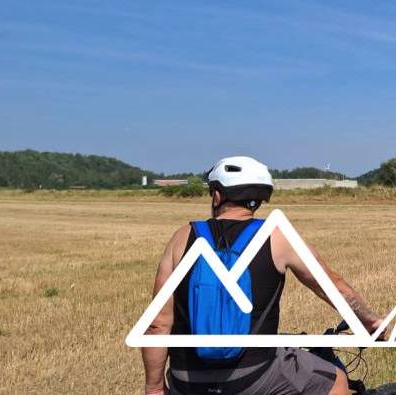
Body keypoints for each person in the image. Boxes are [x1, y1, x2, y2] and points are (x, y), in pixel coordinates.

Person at [140, 156, 383, 395]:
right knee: (336, 381)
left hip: (187, 380)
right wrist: (371, 323)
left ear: (217, 195)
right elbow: (333, 287)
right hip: (254, 375)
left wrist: (154, 388)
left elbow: (156, 325)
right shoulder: (276, 237)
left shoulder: (182, 238)